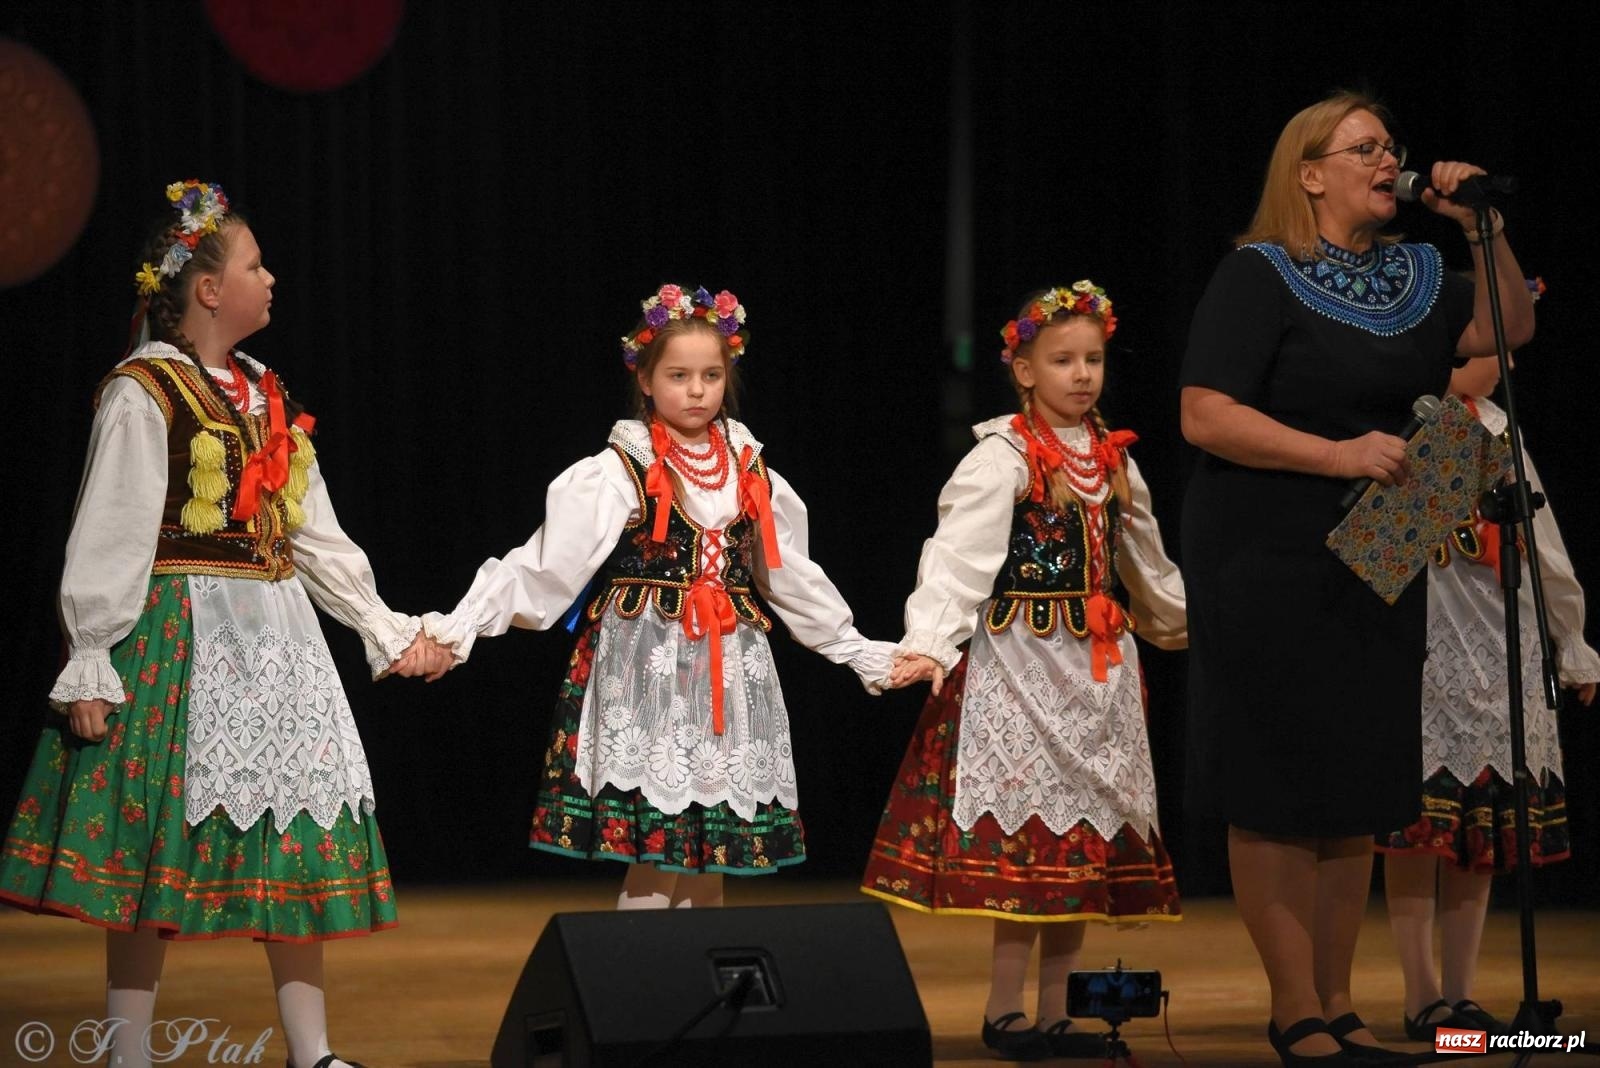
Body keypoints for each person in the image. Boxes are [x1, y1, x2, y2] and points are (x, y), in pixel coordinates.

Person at [0, 181, 446, 1068]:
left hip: (277, 640)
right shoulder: (145, 392)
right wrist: (92, 653)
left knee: (295, 835)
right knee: (145, 852)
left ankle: (312, 1052)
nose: (270, 277)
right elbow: (111, 530)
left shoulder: (265, 392)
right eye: (254, 264)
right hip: (181, 638)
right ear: (208, 289)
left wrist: (383, 628)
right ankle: (128, 1052)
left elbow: (313, 531)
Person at [1178, 91, 1536, 1066]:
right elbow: (1204, 414)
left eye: (1393, 148)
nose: (1388, 161)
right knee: (1279, 785)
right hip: (1265, 555)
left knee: (1354, 787)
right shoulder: (1259, 273)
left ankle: (1340, 1007)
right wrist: (1334, 457)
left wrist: (1481, 226)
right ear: (1309, 172)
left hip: (1381, 554)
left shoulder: (1419, 270)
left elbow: (1508, 328)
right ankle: (1294, 1006)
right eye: (1363, 148)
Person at [422, 284, 894, 909]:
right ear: (644, 379)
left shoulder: (751, 468)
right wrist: (457, 629)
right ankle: (637, 993)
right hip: (650, 671)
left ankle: (703, 992)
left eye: (710, 375)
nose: (696, 390)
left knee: (710, 853)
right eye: (678, 375)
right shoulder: (622, 468)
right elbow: (544, 568)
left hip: (728, 674)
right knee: (657, 854)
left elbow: (793, 577)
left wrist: (861, 652)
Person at [862, 282, 1186, 1061]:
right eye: (1063, 360)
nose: (1082, 375)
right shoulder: (1002, 456)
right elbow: (958, 558)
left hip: (1097, 675)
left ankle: (1060, 1013)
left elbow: (1146, 565)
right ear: (1023, 369)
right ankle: (1007, 1011)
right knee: (1031, 839)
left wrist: (1186, 625)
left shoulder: (1113, 460)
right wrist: (930, 642)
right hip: (1022, 668)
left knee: (1079, 842)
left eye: (1094, 360)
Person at [1381, 343, 1599, 1041]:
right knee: (1420, 834)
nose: (1500, 363)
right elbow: (1387, 547)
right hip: (1425, 647)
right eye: (1481, 350)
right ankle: (1421, 996)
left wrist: (1571, 640)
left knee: (1476, 830)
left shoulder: (1500, 428)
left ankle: (1461, 993)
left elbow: (1545, 544)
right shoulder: (1410, 423)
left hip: (1499, 642)